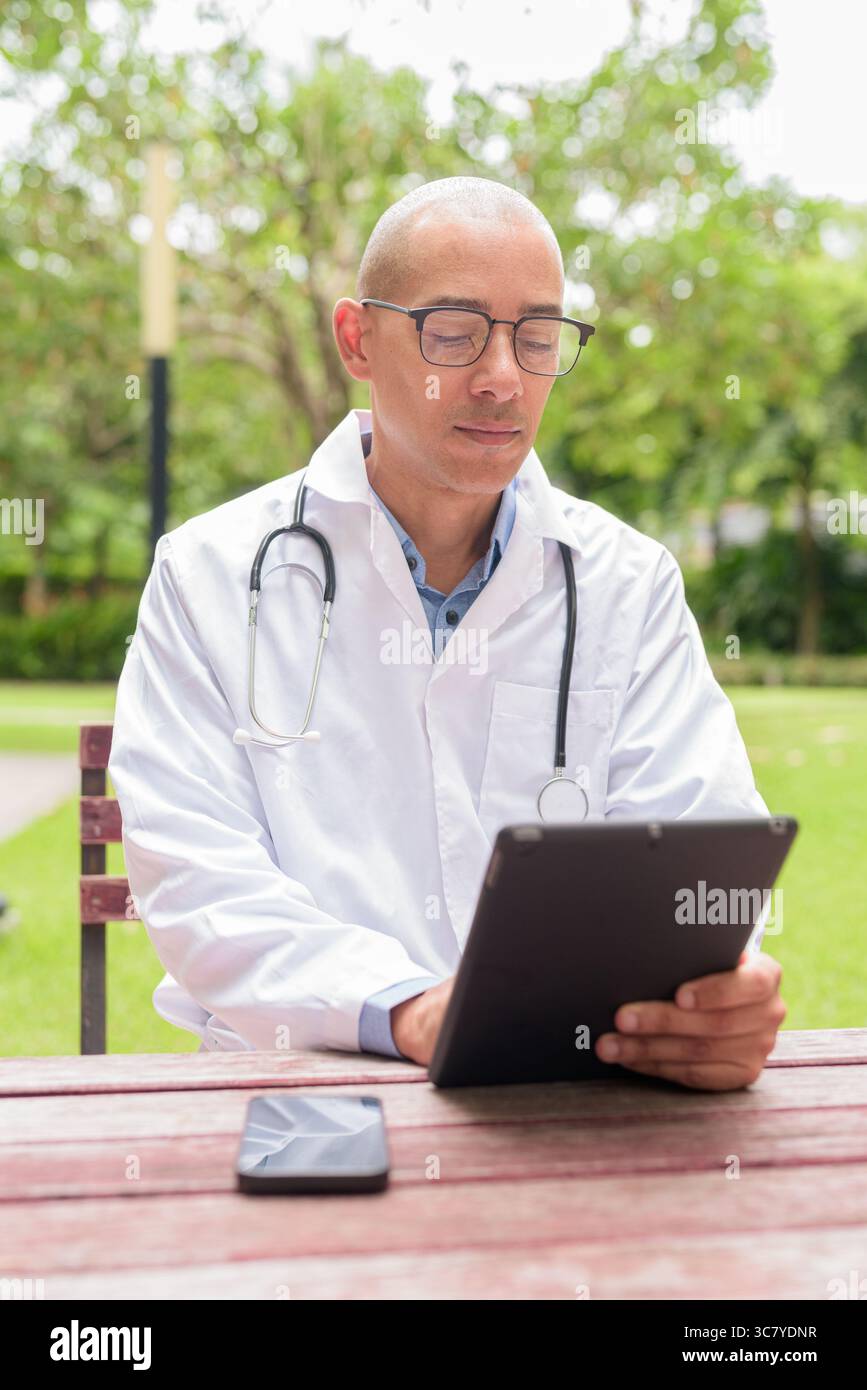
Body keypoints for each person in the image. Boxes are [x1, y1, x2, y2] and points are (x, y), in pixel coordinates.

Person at [109, 176, 785, 1091]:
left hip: (566, 1088)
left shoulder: (627, 584)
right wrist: (412, 1009)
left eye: (537, 338)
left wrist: (709, 1005)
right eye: (454, 332)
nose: (501, 376)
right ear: (357, 338)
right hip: (297, 1087)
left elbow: (703, 843)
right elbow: (200, 884)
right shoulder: (210, 576)